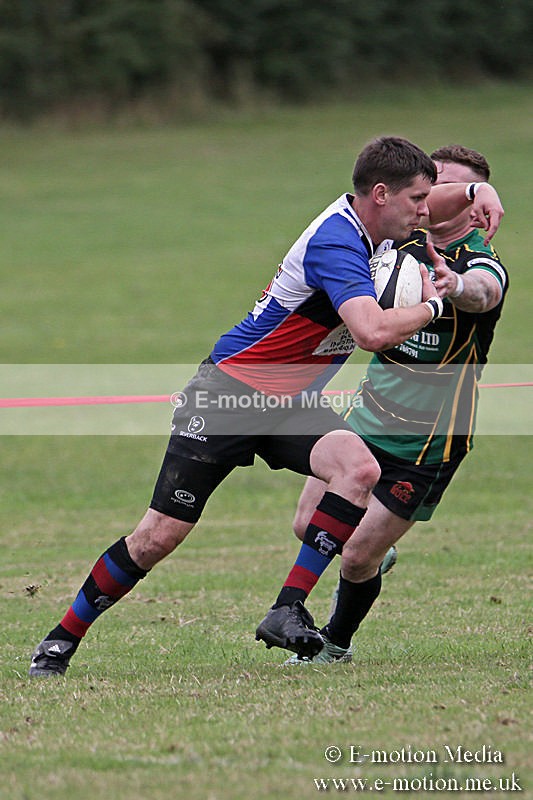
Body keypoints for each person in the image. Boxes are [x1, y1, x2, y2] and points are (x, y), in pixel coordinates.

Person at [29, 137, 504, 676]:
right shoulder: (338, 244)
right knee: (159, 534)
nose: (426, 211)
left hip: (290, 400)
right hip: (230, 393)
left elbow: (434, 205)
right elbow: (370, 332)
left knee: (357, 468)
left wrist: (475, 188)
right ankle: (59, 641)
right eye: (418, 199)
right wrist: (434, 303)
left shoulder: (379, 220)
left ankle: (286, 610)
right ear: (381, 195)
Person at [276, 144, 509, 665]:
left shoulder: (478, 260)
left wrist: (455, 286)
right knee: (308, 523)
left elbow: (486, 292)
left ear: (473, 208)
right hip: (367, 418)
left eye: (448, 190)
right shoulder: (398, 244)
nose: (431, 202)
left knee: (355, 555)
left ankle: (335, 643)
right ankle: (379, 551)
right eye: (430, 189)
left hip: (427, 441)